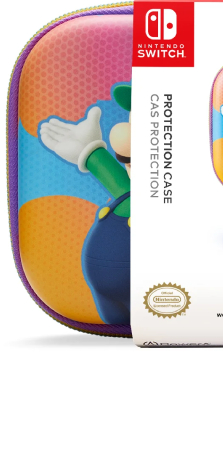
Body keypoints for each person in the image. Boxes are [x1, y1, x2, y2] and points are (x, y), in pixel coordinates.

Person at [39, 83, 131, 325]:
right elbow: (117, 181)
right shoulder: (129, 192)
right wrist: (88, 150)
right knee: (115, 329)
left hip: (153, 294)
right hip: (104, 294)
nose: (123, 136)